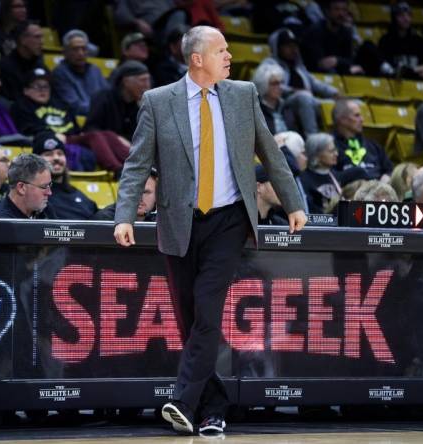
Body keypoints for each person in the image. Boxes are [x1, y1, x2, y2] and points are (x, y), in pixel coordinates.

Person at [113, 26, 306, 436]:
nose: (229, 56)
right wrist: (124, 216)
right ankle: (213, 408)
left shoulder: (242, 94)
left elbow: (270, 152)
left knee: (208, 310)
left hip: (228, 219)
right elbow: (136, 164)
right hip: (178, 221)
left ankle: (181, 400)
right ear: (197, 58)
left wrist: (294, 203)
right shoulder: (157, 101)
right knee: (190, 320)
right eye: (221, 50)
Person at [259, 28, 338, 136]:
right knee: (304, 97)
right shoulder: (270, 63)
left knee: (345, 104)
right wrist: (294, 90)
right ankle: (312, 137)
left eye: (294, 45)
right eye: (288, 45)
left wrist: (334, 93)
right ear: (277, 47)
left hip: (308, 99)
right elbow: (267, 84)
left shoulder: (298, 66)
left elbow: (315, 83)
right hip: (284, 102)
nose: (293, 49)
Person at [85, 60, 150, 145]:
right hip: (104, 147)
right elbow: (91, 129)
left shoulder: (140, 104)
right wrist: (115, 140)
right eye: (143, 80)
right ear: (126, 82)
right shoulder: (103, 98)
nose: (147, 85)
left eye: (148, 80)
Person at [36, 130, 97, 220]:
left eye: (60, 153)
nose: (56, 158)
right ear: (36, 161)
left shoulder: (75, 192)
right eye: (48, 154)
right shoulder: (35, 195)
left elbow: (98, 217)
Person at [332, 98, 393, 182]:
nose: (362, 120)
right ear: (342, 120)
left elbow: (389, 170)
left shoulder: (373, 145)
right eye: (357, 115)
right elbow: (331, 177)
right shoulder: (330, 147)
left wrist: (386, 177)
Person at [50, 30, 109, 116]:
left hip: (100, 116)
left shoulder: (95, 70)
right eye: (75, 49)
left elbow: (107, 95)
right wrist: (103, 110)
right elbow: (74, 106)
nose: (80, 53)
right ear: (65, 52)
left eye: (83, 49)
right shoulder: (59, 73)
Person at [300, 0, 364, 75]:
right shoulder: (315, 31)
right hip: (315, 73)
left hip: (338, 69)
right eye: (337, 9)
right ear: (327, 12)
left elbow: (349, 60)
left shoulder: (346, 32)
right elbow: (321, 64)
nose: (341, 14)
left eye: (344, 10)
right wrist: (343, 64)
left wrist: (337, 61)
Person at [378, 2, 423, 80]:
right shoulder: (386, 41)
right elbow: (385, 67)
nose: (406, 19)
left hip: (416, 81)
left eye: (408, 15)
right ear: (394, 18)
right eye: (401, 15)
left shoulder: (419, 41)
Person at [0, 153, 53, 219]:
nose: (49, 192)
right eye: (44, 186)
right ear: (21, 188)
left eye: (49, 185)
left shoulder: (45, 209)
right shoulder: (2, 223)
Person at [0, 20, 46, 100]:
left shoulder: (40, 64)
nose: (42, 42)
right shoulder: (5, 67)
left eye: (41, 37)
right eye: (37, 37)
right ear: (23, 40)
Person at [93, 168, 158, 221]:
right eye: (133, 191)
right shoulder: (103, 220)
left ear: (157, 195)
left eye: (145, 192)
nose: (139, 198)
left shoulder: (162, 221)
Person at [251, 63, 297, 136]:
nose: (280, 87)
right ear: (263, 85)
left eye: (281, 83)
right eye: (274, 83)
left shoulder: (287, 106)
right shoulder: (256, 109)